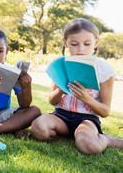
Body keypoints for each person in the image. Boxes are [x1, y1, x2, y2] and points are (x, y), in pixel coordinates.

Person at [31, 18, 123, 154]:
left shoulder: (105, 71)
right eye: (74, 44)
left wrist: (86, 98)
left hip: (87, 120)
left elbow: (105, 111)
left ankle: (106, 139)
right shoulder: (60, 65)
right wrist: (61, 90)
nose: (81, 49)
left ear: (96, 42)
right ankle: (72, 136)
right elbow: (52, 100)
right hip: (60, 117)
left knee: (90, 147)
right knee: (38, 127)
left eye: (87, 44)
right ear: (65, 42)